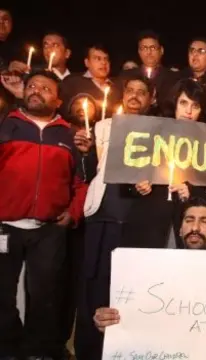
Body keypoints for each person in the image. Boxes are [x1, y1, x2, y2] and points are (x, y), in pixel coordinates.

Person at [0, 70, 88, 360]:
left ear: (58, 99)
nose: (37, 91)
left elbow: (81, 182)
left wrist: (72, 213)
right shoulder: (6, 126)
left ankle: (39, 351)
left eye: (46, 88)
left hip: (48, 230)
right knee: (1, 295)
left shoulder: (69, 135)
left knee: (45, 296)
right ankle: (9, 347)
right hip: (5, 227)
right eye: (33, 86)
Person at [74, 74, 155, 360]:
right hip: (102, 216)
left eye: (141, 92)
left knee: (129, 293)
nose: (134, 96)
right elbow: (87, 172)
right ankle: (90, 351)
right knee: (94, 287)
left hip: (135, 222)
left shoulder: (159, 132)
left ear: (151, 99)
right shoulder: (101, 128)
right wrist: (84, 153)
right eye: (129, 91)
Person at [92, 197, 206, 332]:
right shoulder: (150, 272)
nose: (195, 228)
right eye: (189, 220)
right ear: (180, 230)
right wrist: (106, 320)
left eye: (205, 222)